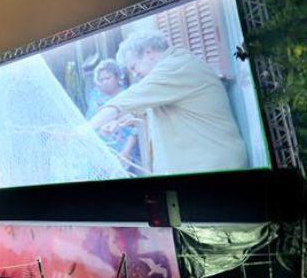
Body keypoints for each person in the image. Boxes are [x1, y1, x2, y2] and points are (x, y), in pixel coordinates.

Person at [85, 29, 247, 175]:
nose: (135, 74)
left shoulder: (176, 67)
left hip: (213, 169)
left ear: (149, 53)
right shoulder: (173, 68)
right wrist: (120, 122)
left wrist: (84, 130)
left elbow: (128, 99)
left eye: (134, 67)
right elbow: (152, 109)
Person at [85, 59, 141, 170]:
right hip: (100, 151)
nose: (104, 82)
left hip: (123, 151)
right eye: (101, 79)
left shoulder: (127, 96)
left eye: (108, 78)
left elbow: (135, 128)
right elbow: (91, 122)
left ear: (117, 78)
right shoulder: (95, 96)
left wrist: (126, 152)